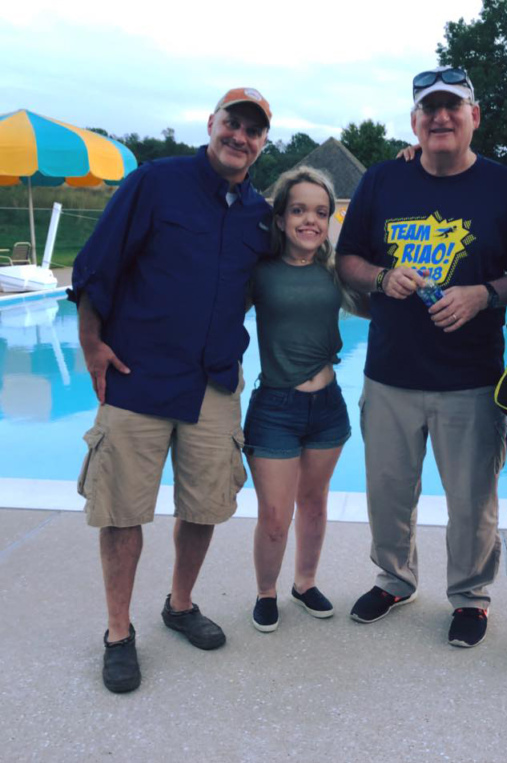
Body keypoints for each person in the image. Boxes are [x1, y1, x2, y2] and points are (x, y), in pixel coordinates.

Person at [69, 87, 273, 693]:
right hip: (138, 376)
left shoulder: (258, 212)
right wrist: (90, 343)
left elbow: (303, 247)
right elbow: (96, 265)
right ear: (211, 124)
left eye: (253, 130)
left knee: (204, 505)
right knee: (122, 509)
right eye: (232, 123)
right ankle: (117, 632)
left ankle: (179, 604)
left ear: (263, 143)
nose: (240, 136)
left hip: (213, 382)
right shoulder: (155, 182)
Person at [336, 66, 507, 648]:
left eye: (453, 107)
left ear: (474, 116)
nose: (440, 117)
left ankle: (471, 597)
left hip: (471, 378)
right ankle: (394, 579)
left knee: (473, 501)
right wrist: (383, 275)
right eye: (429, 109)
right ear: (415, 121)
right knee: (388, 493)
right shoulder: (380, 181)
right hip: (391, 374)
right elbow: (347, 260)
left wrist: (483, 294)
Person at [244, 167, 361, 633]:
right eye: (298, 210)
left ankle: (305, 582)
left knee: (314, 503)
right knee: (275, 515)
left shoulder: (336, 272)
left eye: (320, 211)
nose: (310, 220)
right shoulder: (259, 273)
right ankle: (266, 591)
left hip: (328, 406)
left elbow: (378, 304)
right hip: (275, 409)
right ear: (280, 218)